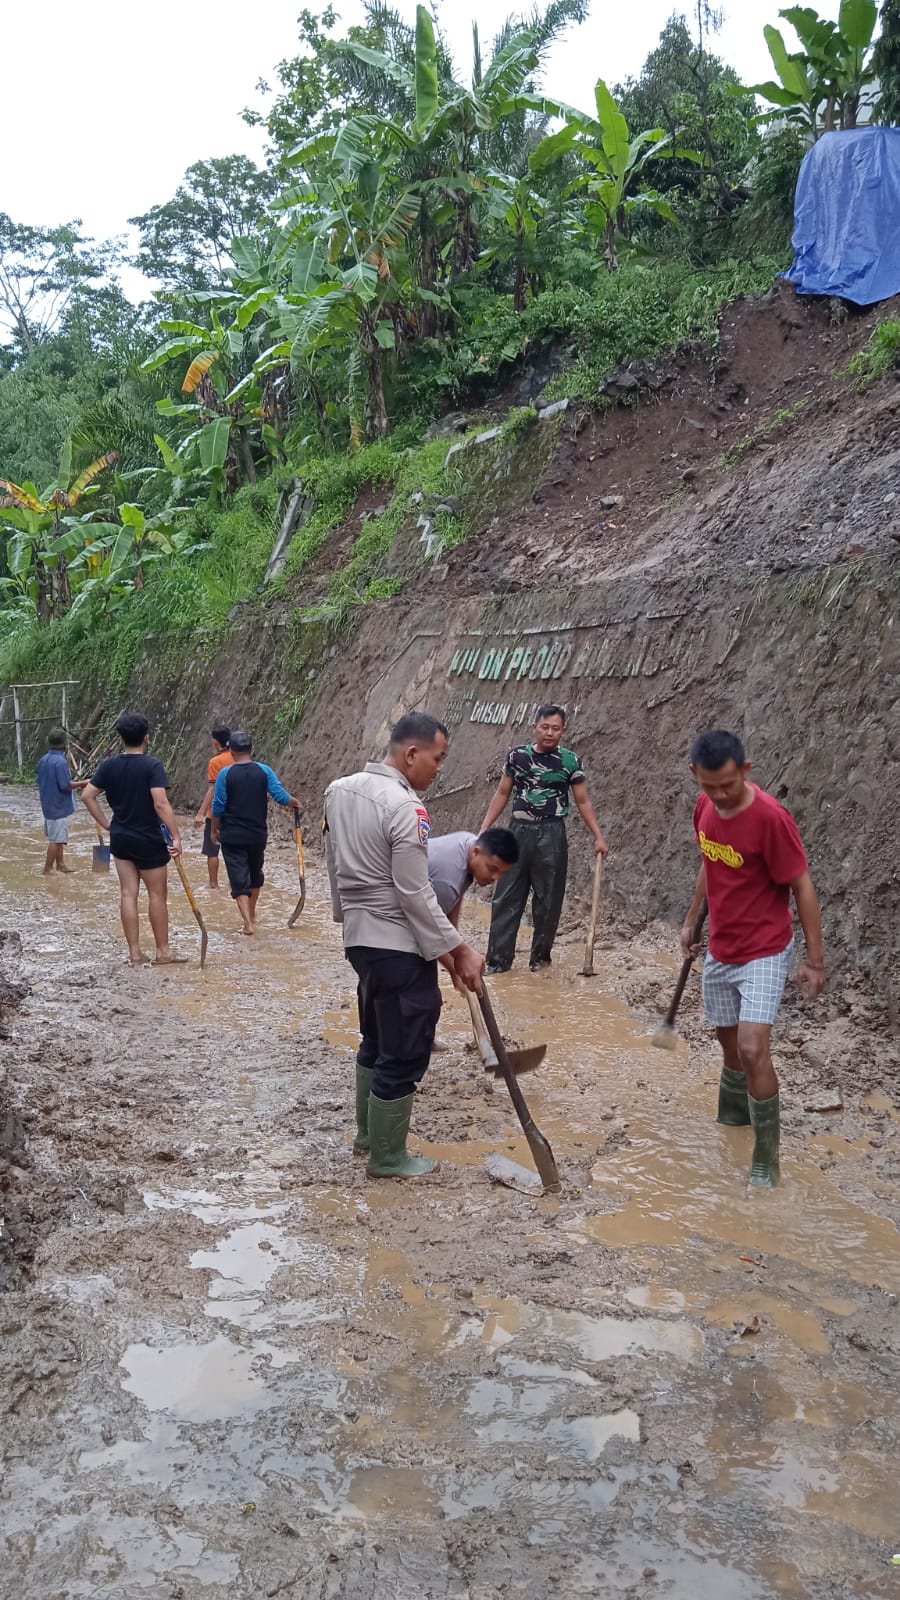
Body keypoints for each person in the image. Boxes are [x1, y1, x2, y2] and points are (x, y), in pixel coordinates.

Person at [325, 712, 486, 1180]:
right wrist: (460, 950)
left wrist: (348, 920)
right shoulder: (406, 808)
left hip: (361, 943)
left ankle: (366, 1136)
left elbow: (335, 867)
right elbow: (415, 894)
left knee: (376, 1036)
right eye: (438, 759)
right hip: (398, 947)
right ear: (412, 754)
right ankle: (388, 1157)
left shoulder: (338, 791)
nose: (439, 770)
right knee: (405, 1046)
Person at [681, 729, 826, 1188]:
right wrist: (692, 920)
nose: (720, 795)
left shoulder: (770, 818)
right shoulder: (704, 807)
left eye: (728, 784)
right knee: (728, 1046)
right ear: (695, 777)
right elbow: (710, 862)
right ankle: (733, 1121)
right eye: (710, 785)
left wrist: (815, 960)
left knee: (751, 1047)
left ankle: (766, 1157)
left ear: (745, 771)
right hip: (722, 948)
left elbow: (801, 885)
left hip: (765, 948)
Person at [480, 704, 609, 974]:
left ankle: (540, 961)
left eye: (555, 728)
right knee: (506, 896)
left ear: (563, 731)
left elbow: (583, 801)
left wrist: (598, 836)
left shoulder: (570, 762)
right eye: (545, 727)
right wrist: (484, 829)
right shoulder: (517, 757)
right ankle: (498, 963)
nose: (549, 733)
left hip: (552, 833)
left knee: (548, 900)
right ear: (535, 728)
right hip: (516, 833)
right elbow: (503, 793)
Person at [81, 712, 185, 966]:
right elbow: (160, 803)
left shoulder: (109, 766)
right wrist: (176, 836)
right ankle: (163, 952)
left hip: (121, 838)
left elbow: (87, 796)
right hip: (148, 837)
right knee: (157, 895)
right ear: (146, 738)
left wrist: (107, 824)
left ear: (121, 738)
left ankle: (135, 953)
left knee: (128, 894)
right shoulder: (152, 766)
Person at [210, 730, 299, 936]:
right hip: (257, 834)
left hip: (232, 835)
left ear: (231, 751)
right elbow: (280, 795)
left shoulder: (226, 774)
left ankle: (248, 923)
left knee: (238, 878)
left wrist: (214, 831)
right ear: (253, 749)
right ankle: (252, 913)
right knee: (255, 873)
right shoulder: (264, 771)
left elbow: (218, 806)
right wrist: (294, 802)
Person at [37, 728, 85, 875]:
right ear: (64, 746)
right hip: (58, 806)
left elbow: (39, 781)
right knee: (56, 840)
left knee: (58, 837)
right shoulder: (60, 762)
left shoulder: (43, 760)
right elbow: (66, 785)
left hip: (48, 804)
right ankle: (47, 869)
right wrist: (84, 782)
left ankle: (61, 865)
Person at [193, 725, 232, 889]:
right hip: (235, 812)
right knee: (232, 851)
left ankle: (213, 885)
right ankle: (233, 883)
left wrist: (200, 813)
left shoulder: (215, 762)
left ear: (216, 742)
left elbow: (212, 789)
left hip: (215, 813)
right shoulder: (238, 757)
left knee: (212, 850)